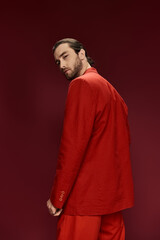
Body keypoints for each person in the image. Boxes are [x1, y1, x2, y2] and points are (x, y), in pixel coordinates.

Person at [46, 38, 134, 240]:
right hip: (112, 200)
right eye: (57, 62)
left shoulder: (82, 85)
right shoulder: (113, 92)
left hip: (84, 200)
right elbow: (123, 142)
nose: (62, 65)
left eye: (65, 56)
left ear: (82, 54)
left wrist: (57, 197)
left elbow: (72, 147)